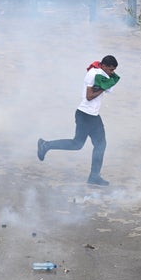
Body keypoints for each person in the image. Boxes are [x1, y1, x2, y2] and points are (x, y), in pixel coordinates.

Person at [37, 55, 120, 186]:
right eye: (110, 70)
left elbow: (109, 87)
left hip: (93, 115)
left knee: (101, 145)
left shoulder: (103, 74)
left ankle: (94, 176)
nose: (112, 73)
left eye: (113, 70)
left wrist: (107, 83)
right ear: (103, 66)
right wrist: (103, 87)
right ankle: (45, 145)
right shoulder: (93, 74)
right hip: (85, 115)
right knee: (77, 144)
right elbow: (89, 96)